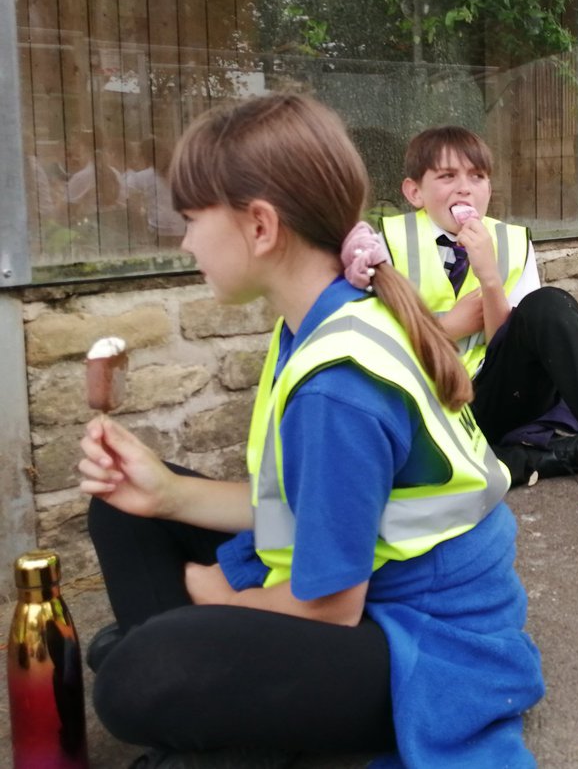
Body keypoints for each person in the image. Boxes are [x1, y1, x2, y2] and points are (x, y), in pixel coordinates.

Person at [78, 94, 544, 769]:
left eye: (190, 219)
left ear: (261, 226)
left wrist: (217, 592)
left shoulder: (337, 389)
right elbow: (302, 500)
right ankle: (225, 710)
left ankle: (222, 715)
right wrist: (164, 496)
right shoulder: (314, 320)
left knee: (132, 679)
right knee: (122, 508)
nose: (184, 242)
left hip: (431, 647)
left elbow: (328, 607)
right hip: (375, 597)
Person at [378, 126, 578, 552]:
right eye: (447, 177)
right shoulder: (383, 244)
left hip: (487, 400)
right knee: (402, 470)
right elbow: (370, 345)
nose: (465, 189)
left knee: (550, 304)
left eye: (477, 177)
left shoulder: (511, 242)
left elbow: (511, 343)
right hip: (418, 406)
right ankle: (532, 458)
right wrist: (445, 328)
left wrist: (490, 278)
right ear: (414, 191)